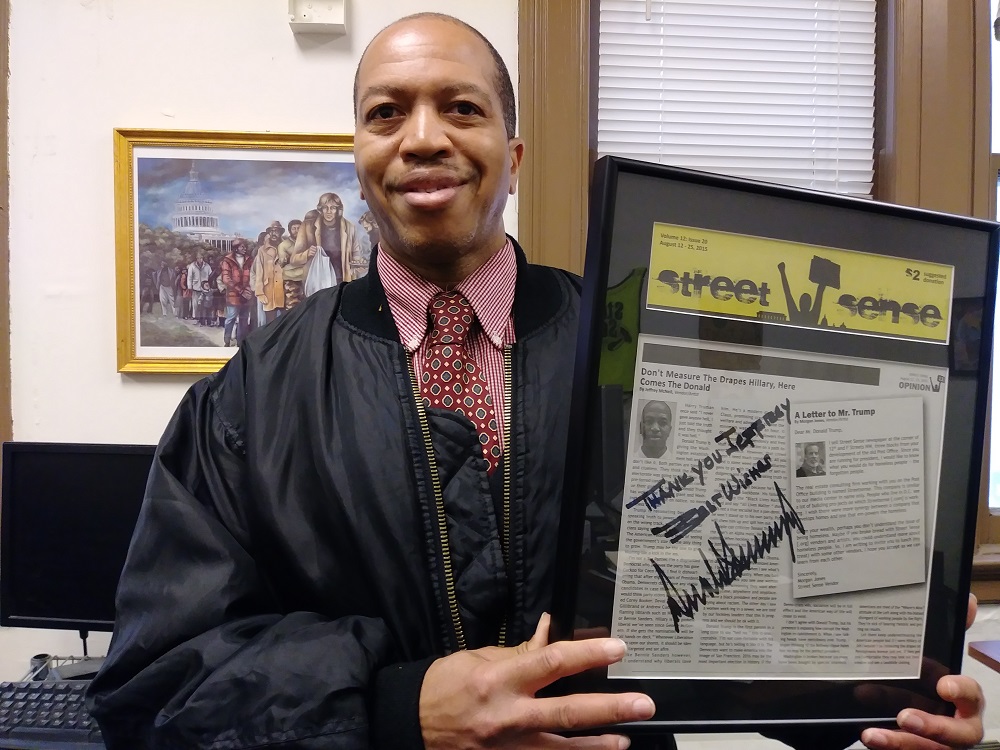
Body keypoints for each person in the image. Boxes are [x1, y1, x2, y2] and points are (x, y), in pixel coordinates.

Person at [87, 13, 984, 750]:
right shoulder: (252, 393)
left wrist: (872, 698)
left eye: (461, 109)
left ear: (513, 157)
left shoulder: (642, 349)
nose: (423, 137)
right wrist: (396, 707)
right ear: (357, 159)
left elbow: (742, 598)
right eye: (387, 113)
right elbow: (157, 676)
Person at [220, 237, 254, 346]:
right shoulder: (227, 261)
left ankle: (240, 343)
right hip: (233, 296)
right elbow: (226, 279)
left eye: (245, 246)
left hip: (246, 296)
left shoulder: (249, 260)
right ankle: (227, 340)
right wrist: (241, 290)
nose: (245, 248)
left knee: (244, 320)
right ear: (236, 248)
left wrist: (248, 290)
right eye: (242, 246)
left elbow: (253, 275)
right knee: (231, 318)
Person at [252, 220, 286, 324]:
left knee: (285, 323)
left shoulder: (286, 247)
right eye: (271, 231)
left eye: (276, 231)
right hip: (268, 292)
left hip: (285, 291)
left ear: (280, 233)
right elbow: (259, 273)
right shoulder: (262, 250)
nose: (273, 234)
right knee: (270, 323)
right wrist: (260, 293)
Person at [277, 218, 306, 311]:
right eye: (294, 228)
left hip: (305, 279)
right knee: (291, 308)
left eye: (299, 228)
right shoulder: (284, 245)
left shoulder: (307, 243)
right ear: (290, 230)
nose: (296, 230)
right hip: (291, 280)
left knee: (305, 308)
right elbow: (282, 262)